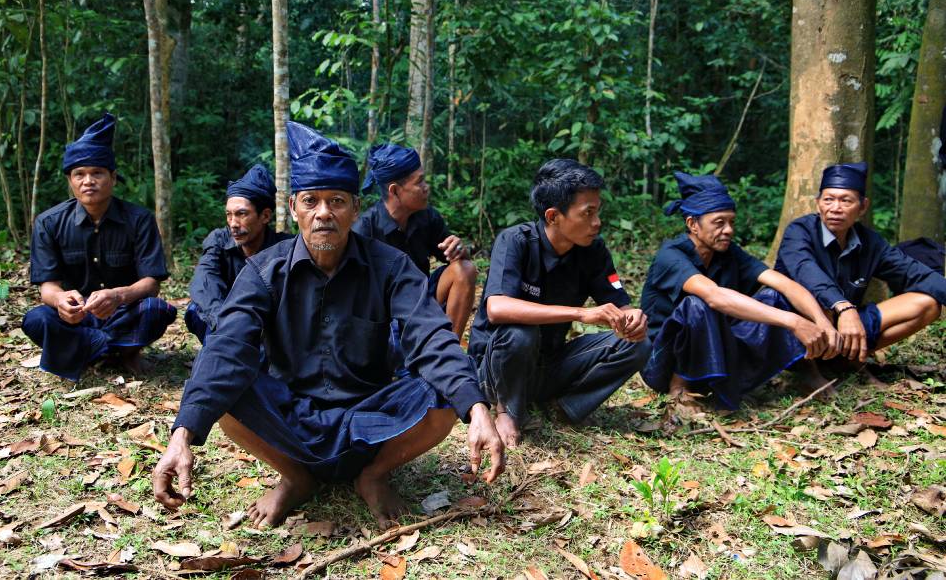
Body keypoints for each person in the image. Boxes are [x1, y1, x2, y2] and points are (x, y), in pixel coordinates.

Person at [152, 122, 504, 531]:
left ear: (355, 209)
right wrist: (182, 435)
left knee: (446, 394)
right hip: (291, 414)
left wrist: (477, 408)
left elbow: (430, 335)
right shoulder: (263, 271)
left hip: (369, 414)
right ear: (293, 209)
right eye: (311, 201)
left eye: (336, 201)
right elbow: (227, 346)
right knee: (228, 389)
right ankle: (296, 476)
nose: (323, 213)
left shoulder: (390, 267)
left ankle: (373, 474)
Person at [467, 159, 651, 449]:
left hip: (548, 364)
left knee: (638, 344)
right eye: (588, 213)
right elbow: (497, 308)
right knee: (520, 332)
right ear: (553, 216)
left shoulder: (593, 250)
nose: (597, 222)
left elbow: (620, 304)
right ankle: (507, 411)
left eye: (597, 211)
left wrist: (634, 319)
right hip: (495, 368)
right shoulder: (516, 241)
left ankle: (564, 408)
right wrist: (582, 313)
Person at [640, 171, 840, 408]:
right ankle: (680, 390)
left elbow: (785, 284)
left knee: (775, 296)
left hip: (715, 353)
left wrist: (821, 321)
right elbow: (714, 297)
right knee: (696, 305)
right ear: (692, 224)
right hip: (662, 362)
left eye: (731, 222)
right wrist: (794, 321)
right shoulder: (671, 256)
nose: (728, 230)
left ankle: (808, 375)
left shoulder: (728, 252)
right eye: (719, 223)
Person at [21, 113, 176, 381]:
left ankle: (98, 350)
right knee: (36, 319)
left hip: (124, 312)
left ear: (113, 178)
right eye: (79, 174)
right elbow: (47, 286)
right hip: (77, 317)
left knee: (157, 310)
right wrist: (61, 301)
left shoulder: (139, 220)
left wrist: (118, 296)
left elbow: (151, 283)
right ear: (70, 180)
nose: (88, 181)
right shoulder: (49, 223)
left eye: (97, 173)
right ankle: (113, 348)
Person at [775, 162, 945, 365]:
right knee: (822, 306)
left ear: (863, 207)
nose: (835, 208)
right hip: (800, 326)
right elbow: (807, 271)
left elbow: (915, 273)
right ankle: (806, 369)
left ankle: (849, 360)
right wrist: (843, 307)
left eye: (846, 201)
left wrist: (848, 313)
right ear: (818, 202)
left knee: (927, 305)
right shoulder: (799, 232)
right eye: (828, 200)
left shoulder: (871, 242)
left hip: (848, 322)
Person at [354, 143, 477, 338]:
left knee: (465, 269)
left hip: (422, 300)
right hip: (383, 313)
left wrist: (459, 249)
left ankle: (447, 350)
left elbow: (455, 260)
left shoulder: (427, 217)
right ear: (394, 190)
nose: (426, 188)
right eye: (419, 182)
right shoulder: (365, 229)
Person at [184, 164, 291, 344]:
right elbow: (204, 281)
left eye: (241, 214)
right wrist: (226, 324)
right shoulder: (219, 240)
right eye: (229, 215)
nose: (233, 223)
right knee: (195, 309)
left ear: (265, 216)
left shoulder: (284, 247)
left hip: (267, 328)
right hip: (224, 321)